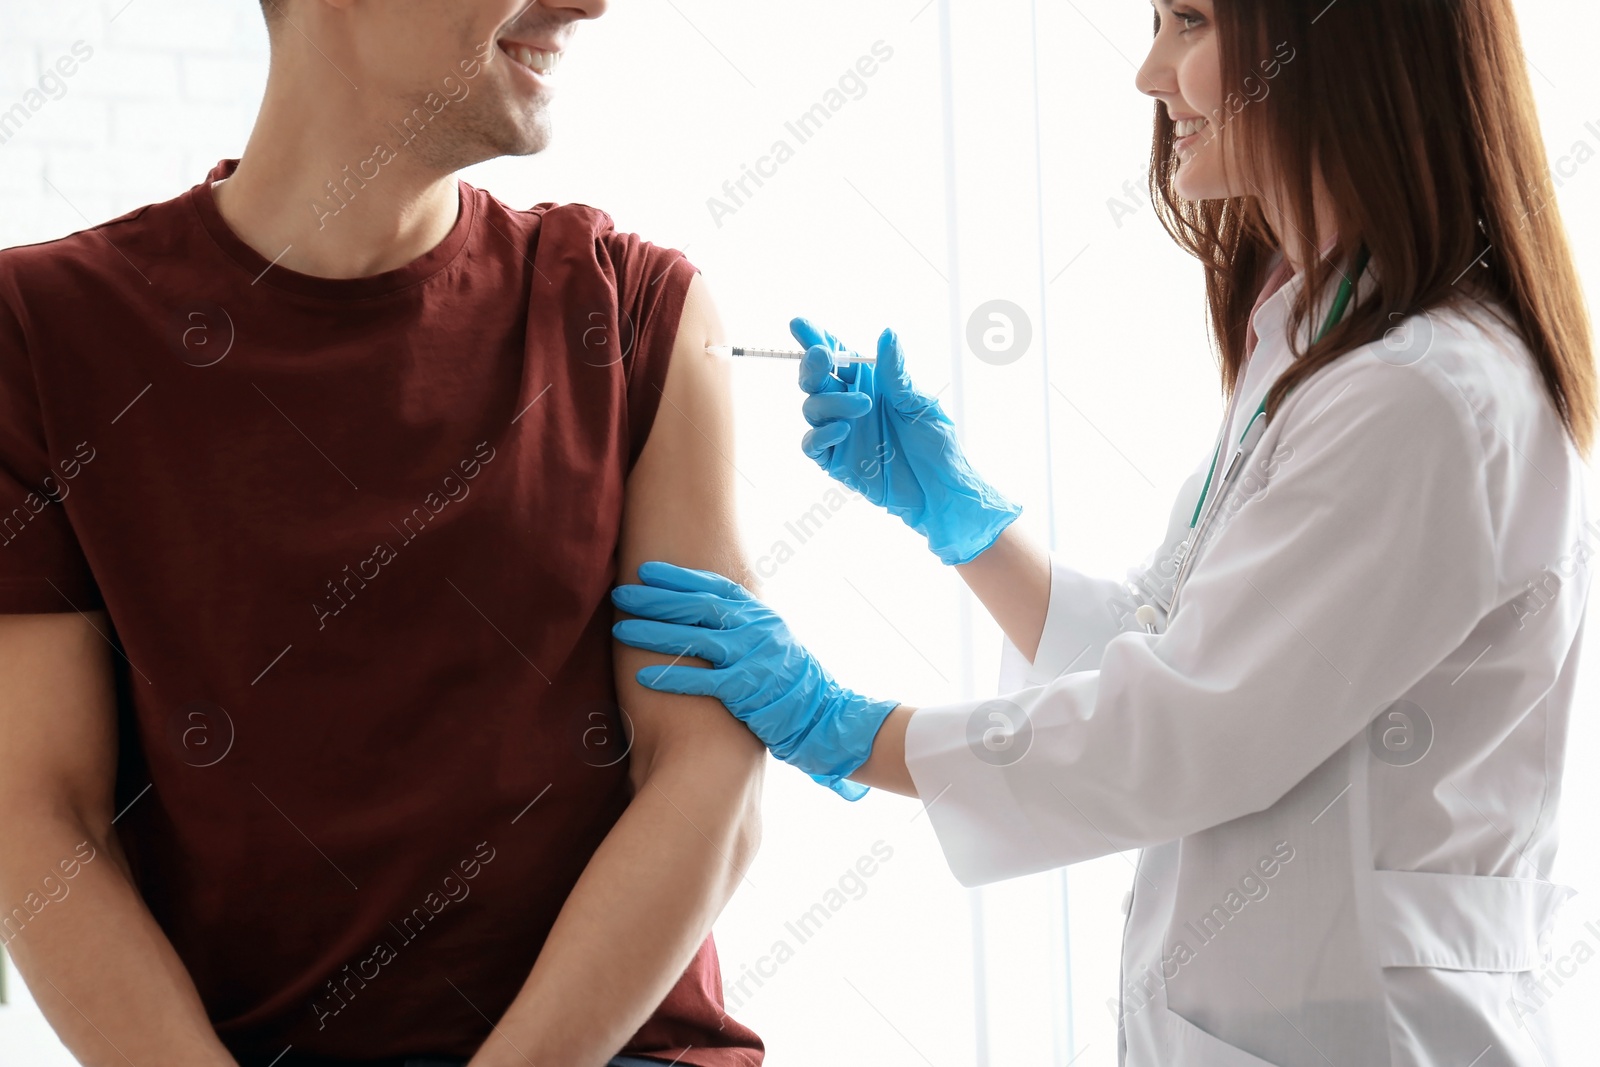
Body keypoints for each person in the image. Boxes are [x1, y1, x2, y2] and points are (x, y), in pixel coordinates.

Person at [611, 0, 1596, 1064]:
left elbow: (1182, 730)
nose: (1148, 75)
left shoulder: (1423, 396)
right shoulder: (1319, 329)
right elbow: (1181, 648)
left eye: (1188, 24)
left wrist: (845, 724)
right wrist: (965, 520)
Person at [0, 2, 766, 1066]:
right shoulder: (41, 333)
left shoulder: (637, 311)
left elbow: (708, 778)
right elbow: (40, 817)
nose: (589, 1)